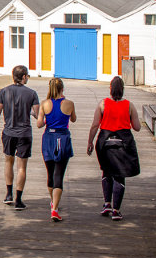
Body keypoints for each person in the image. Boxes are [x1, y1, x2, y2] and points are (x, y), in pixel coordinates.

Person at [87, 76, 141, 221]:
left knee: (106, 171)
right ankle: (116, 210)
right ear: (122, 89)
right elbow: (137, 127)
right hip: (123, 143)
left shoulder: (103, 104)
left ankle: (107, 204)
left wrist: (90, 142)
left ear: (110, 89)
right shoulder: (129, 105)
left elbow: (94, 125)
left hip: (105, 142)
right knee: (120, 175)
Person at [0, 65, 40, 210]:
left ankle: (8, 195)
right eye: (27, 76)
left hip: (8, 133)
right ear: (23, 77)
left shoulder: (4, 92)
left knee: (8, 162)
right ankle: (18, 200)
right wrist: (30, 112)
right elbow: (38, 115)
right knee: (22, 167)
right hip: (24, 134)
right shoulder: (32, 94)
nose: (28, 78)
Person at [36, 77, 76, 221]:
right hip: (63, 139)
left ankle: (53, 202)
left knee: (50, 174)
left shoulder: (45, 104)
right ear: (62, 89)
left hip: (48, 139)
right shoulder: (69, 104)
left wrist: (45, 117)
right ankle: (55, 209)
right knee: (59, 174)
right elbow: (73, 119)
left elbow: (39, 124)